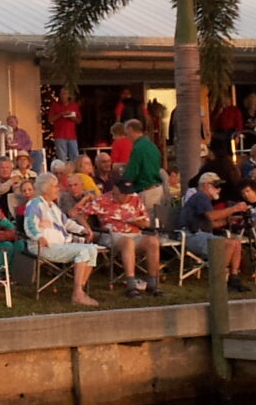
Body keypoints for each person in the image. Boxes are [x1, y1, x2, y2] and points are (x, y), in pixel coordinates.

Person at [24, 173, 101, 306]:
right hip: (44, 246)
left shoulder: (52, 206)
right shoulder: (35, 204)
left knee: (92, 249)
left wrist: (82, 230)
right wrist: (39, 237)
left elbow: (66, 223)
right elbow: (29, 225)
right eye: (54, 186)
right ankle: (77, 294)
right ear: (45, 188)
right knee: (82, 252)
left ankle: (79, 290)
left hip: (59, 245)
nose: (58, 188)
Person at [78, 178, 162, 295]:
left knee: (152, 241)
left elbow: (147, 223)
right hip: (112, 235)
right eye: (124, 193)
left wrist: (136, 222)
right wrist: (87, 228)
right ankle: (131, 285)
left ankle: (153, 283)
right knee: (128, 242)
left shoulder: (135, 199)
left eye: (128, 193)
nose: (127, 196)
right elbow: (80, 214)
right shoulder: (102, 200)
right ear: (115, 191)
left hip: (134, 233)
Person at [179, 172, 249, 291]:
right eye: (216, 186)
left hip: (202, 234)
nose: (219, 189)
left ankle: (233, 278)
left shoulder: (204, 199)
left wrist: (229, 221)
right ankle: (219, 280)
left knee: (236, 242)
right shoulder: (200, 197)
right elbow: (212, 217)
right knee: (230, 243)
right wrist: (234, 208)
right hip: (191, 235)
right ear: (206, 185)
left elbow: (210, 223)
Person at [122, 119, 166, 209]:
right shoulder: (152, 145)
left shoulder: (138, 148)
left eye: (126, 134)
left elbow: (131, 173)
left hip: (146, 191)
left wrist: (121, 185)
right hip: (157, 189)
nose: (126, 137)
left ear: (130, 129)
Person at [48, 88, 82, 163]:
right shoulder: (55, 106)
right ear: (59, 95)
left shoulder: (74, 105)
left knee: (75, 157)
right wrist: (61, 114)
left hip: (72, 136)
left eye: (66, 93)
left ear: (69, 95)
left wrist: (72, 118)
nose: (64, 96)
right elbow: (50, 119)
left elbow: (79, 121)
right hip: (59, 135)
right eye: (62, 93)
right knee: (62, 158)